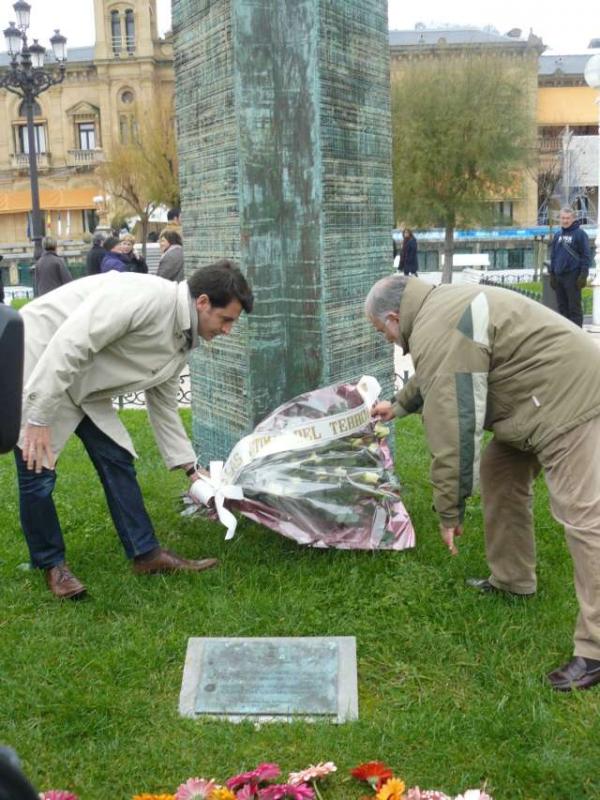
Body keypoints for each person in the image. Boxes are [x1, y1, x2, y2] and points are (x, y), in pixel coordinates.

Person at [366, 273, 600, 691]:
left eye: (381, 331)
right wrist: (399, 405)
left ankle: (596, 651)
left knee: (584, 519)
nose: (386, 340)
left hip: (572, 398)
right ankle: (512, 580)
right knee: (500, 470)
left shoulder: (438, 322)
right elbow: (441, 369)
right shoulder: (440, 309)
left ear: (393, 317)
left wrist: (449, 509)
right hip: (536, 403)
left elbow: (454, 425)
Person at [15, 259, 253, 600]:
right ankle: (51, 564)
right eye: (226, 319)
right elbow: (69, 344)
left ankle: (146, 555)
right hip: (39, 361)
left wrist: (191, 470)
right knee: (36, 470)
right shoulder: (143, 296)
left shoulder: (185, 336)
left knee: (117, 458)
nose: (228, 330)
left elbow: (164, 406)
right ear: (202, 302)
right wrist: (37, 417)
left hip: (83, 378)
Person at [548, 207, 591, 327]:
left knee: (574, 308)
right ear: (560, 219)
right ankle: (566, 335)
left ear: (573, 219)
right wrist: (552, 274)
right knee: (562, 308)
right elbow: (553, 256)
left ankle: (577, 334)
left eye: (567, 218)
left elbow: (586, 256)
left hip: (573, 276)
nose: (565, 221)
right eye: (563, 218)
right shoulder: (557, 235)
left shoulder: (580, 234)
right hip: (559, 276)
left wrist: (583, 275)